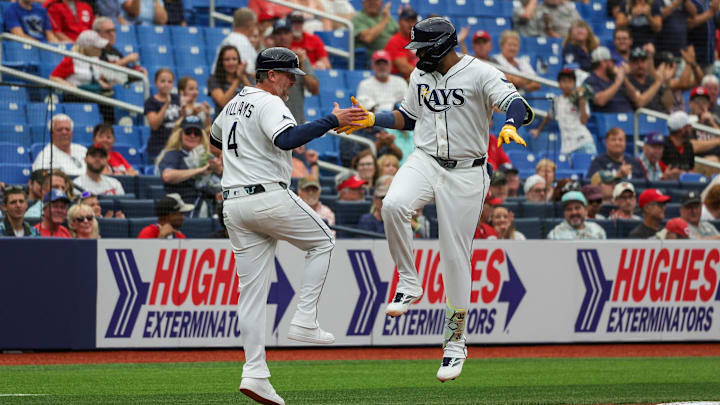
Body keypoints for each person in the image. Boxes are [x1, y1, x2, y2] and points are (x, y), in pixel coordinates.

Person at [335, 17, 534, 382]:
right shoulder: (420, 76)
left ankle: (455, 343)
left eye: (423, 48)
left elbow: (517, 104)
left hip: (467, 169)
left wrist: (509, 125)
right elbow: (408, 117)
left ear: (443, 46)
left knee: (455, 255)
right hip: (426, 159)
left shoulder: (480, 73)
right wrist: (370, 119)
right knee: (393, 205)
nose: (417, 55)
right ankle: (409, 282)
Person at [208, 47, 367, 405]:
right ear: (270, 74)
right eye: (288, 74)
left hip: (233, 203)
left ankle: (255, 373)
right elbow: (287, 139)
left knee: (250, 295)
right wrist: (332, 120)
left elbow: (215, 139)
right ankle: (305, 319)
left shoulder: (234, 102)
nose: (294, 80)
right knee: (324, 239)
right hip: (266, 196)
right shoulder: (269, 102)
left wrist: (245, 154)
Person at [157, 116, 223, 216]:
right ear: (180, 134)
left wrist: (218, 170)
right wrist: (200, 170)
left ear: (201, 136)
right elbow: (167, 176)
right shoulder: (173, 154)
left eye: (196, 133)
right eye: (188, 132)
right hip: (181, 206)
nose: (192, 136)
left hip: (207, 203)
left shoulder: (206, 156)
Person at [530, 68, 596, 155]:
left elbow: (584, 121)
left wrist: (582, 102)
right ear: (559, 84)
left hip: (583, 143)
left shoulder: (580, 98)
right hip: (567, 147)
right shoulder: (557, 101)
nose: (567, 84)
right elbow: (549, 116)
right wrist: (538, 130)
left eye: (570, 81)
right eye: (564, 81)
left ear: (574, 83)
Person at [271, 19, 319, 124]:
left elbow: (315, 89)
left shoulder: (300, 58)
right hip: (270, 122)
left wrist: (301, 68)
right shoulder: (264, 60)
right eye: (278, 33)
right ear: (273, 37)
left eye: (286, 32)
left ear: (292, 35)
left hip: (295, 122)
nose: (282, 37)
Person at [49, 30, 113, 96]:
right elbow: (53, 78)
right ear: (87, 47)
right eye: (97, 47)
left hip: (93, 96)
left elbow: (93, 78)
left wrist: (104, 86)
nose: (100, 49)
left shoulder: (95, 59)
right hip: (75, 98)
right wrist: (71, 87)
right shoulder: (71, 59)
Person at [584, 47, 637, 113]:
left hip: (629, 117)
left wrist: (624, 78)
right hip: (607, 120)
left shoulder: (614, 78)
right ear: (603, 63)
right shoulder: (590, 80)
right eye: (612, 62)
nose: (615, 65)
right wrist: (618, 82)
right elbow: (600, 101)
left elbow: (634, 98)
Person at [144, 68, 181, 161]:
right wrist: (166, 105)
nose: (166, 84)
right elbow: (154, 125)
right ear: (155, 82)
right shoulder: (151, 102)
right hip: (157, 147)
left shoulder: (177, 99)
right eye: (162, 81)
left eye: (169, 82)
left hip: (175, 147)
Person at [212, 8, 258, 76]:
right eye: (255, 24)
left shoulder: (229, 39)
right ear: (250, 24)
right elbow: (246, 71)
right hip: (232, 84)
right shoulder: (241, 42)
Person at [625, 47, 673, 111]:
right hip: (640, 118)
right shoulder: (627, 81)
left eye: (643, 61)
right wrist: (658, 82)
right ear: (629, 64)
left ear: (647, 62)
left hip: (659, 116)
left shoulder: (651, 80)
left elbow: (668, 105)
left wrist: (667, 82)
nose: (640, 65)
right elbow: (640, 103)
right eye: (636, 62)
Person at [209, 45, 250, 113]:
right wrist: (237, 79)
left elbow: (256, 98)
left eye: (234, 59)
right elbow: (223, 103)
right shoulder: (214, 80)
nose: (231, 63)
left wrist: (243, 78)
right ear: (221, 62)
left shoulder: (246, 78)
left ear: (239, 61)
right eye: (227, 59)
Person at [383, 8, 418, 79]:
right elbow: (404, 69)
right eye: (407, 21)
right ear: (399, 22)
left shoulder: (419, 40)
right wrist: (427, 76)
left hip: (418, 79)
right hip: (401, 80)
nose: (410, 24)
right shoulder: (395, 41)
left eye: (413, 21)